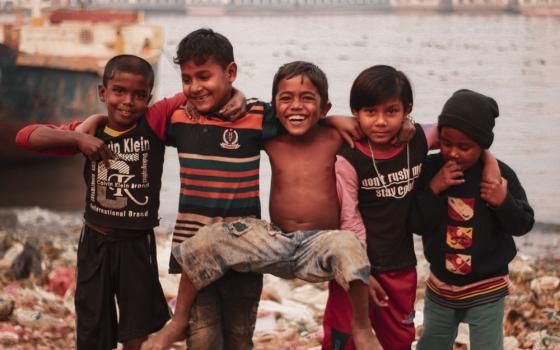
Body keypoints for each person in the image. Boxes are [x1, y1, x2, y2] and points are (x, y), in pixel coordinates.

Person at [143, 61, 388, 350]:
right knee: (207, 238)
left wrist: (342, 121)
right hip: (275, 241)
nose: (296, 106)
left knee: (349, 244)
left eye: (307, 99)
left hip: (319, 246)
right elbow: (236, 117)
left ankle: (361, 328)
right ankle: (179, 320)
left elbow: (388, 132)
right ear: (274, 106)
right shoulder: (271, 138)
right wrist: (236, 95)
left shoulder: (336, 137)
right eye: (286, 99)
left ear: (324, 108)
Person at [321, 66, 501, 350]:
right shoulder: (349, 154)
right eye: (370, 112)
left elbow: (464, 135)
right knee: (344, 338)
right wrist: (361, 273)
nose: (380, 122)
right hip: (353, 265)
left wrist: (490, 163)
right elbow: (349, 219)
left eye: (391, 112)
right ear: (356, 112)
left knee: (398, 339)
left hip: (400, 266)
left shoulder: (416, 140)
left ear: (406, 110)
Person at [15, 55, 177, 350]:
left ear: (149, 98)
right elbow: (25, 137)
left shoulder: (153, 125)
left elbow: (190, 96)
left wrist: (237, 95)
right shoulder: (88, 133)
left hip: (136, 246)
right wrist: (77, 140)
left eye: (139, 95)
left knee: (136, 331)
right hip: (95, 244)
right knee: (92, 329)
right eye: (118, 91)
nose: (128, 101)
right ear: (103, 93)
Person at [410, 89, 534, 350]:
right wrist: (434, 188)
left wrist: (503, 202)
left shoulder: (498, 176)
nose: (453, 152)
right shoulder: (431, 169)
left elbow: (523, 224)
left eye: (464, 147)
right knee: (431, 343)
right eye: (446, 143)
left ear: (482, 146)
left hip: (486, 289)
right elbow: (416, 223)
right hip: (441, 286)